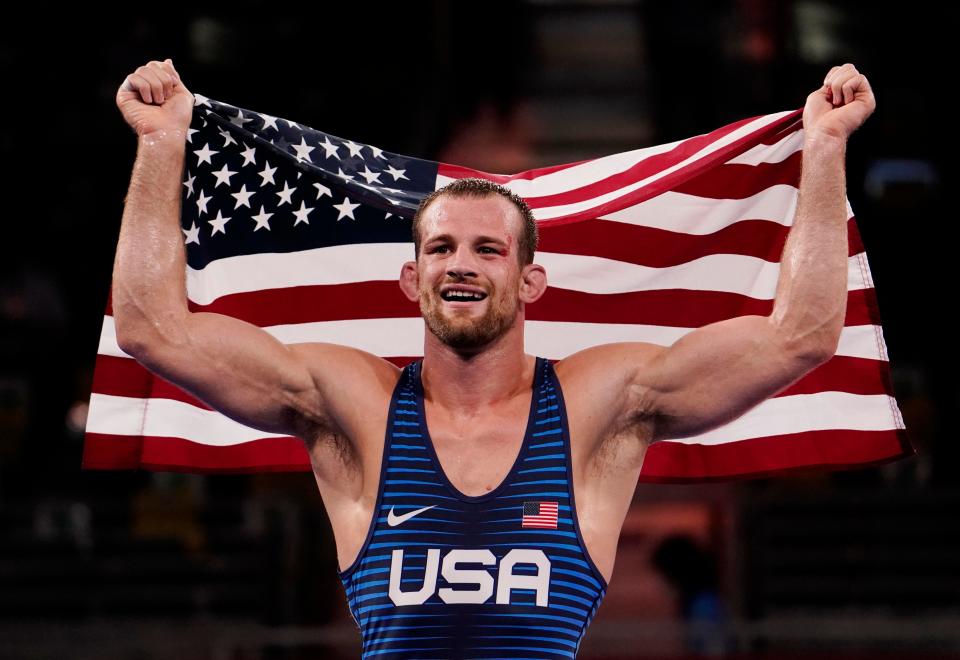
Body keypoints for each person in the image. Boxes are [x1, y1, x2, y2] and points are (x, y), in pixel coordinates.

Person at [113, 58, 875, 658]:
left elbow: (799, 336)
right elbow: (154, 331)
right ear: (413, 280)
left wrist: (825, 150)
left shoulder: (601, 403)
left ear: (530, 279)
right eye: (440, 247)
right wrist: (160, 145)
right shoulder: (351, 401)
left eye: (487, 248)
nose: (462, 265)